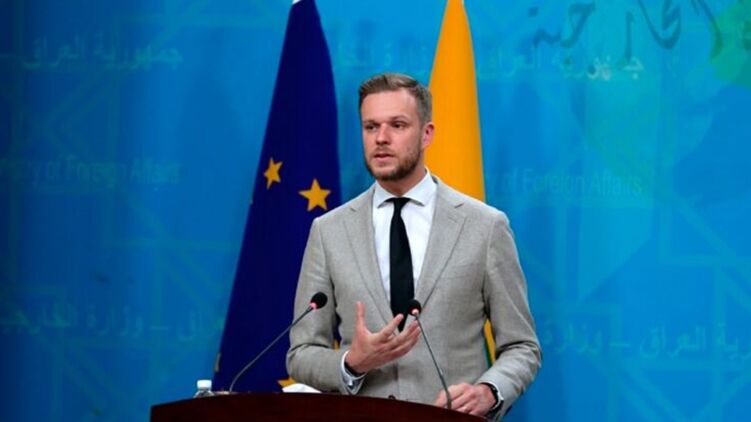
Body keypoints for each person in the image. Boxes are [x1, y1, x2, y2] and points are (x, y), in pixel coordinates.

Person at [286, 72, 541, 418]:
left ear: (426, 134)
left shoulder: (484, 227)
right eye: (371, 127)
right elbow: (301, 353)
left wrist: (488, 392)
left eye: (397, 125)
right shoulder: (329, 231)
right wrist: (352, 363)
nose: (381, 138)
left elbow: (522, 346)